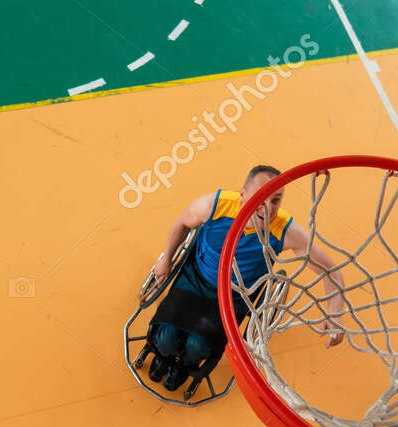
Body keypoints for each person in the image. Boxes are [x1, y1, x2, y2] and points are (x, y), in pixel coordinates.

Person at [146, 165, 347, 390]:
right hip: (197, 278)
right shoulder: (215, 205)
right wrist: (166, 260)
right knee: (166, 340)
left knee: (197, 346)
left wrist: (335, 312)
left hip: (234, 296)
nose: (268, 207)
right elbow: (181, 223)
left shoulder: (283, 230)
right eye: (261, 197)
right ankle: (163, 357)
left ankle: (184, 365)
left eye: (275, 200)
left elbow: (331, 270)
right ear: (243, 195)